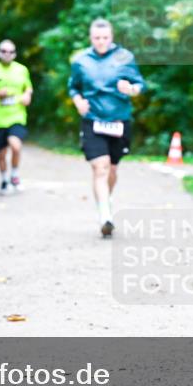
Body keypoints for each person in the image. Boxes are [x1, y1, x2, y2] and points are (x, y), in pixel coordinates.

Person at [68, 18, 145, 238]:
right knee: (99, 167)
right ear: (91, 38)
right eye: (96, 38)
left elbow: (141, 84)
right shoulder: (80, 61)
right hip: (92, 119)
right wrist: (77, 101)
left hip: (119, 121)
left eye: (105, 38)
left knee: (112, 169)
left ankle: (105, 202)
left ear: (111, 38)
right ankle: (105, 216)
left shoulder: (125, 57)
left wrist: (131, 89)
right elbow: (73, 87)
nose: (101, 42)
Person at [0, 40, 33, 195]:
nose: (7, 54)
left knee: (15, 145)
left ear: (15, 54)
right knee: (1, 154)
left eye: (10, 51)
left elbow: (28, 87)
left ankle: (14, 175)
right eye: (3, 51)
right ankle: (4, 180)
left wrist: (27, 95)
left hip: (17, 116)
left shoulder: (22, 70)